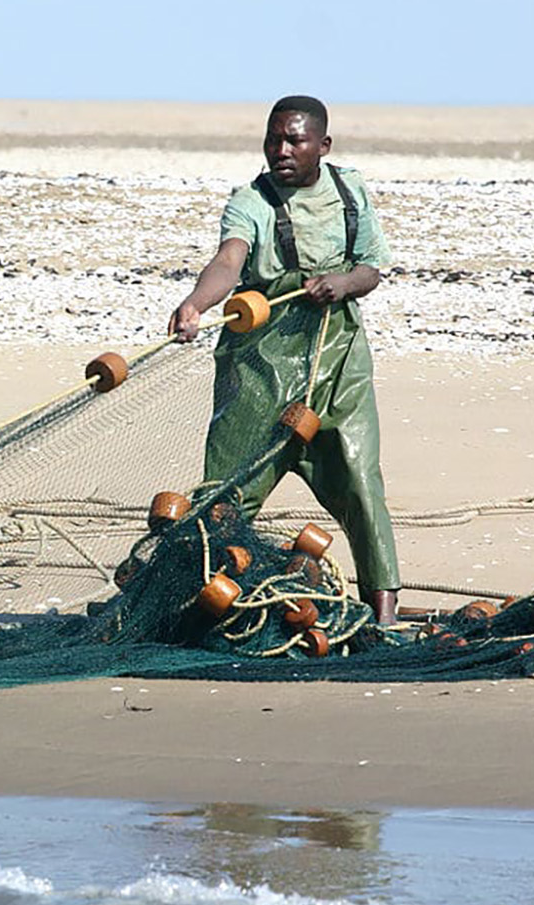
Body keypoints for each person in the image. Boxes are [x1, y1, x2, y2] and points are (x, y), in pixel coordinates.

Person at [168, 95, 401, 625]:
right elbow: (229, 260)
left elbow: (371, 270)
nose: (281, 150)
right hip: (260, 364)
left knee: (361, 482)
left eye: (294, 140)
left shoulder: (350, 191)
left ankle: (384, 611)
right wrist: (195, 304)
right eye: (273, 139)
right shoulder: (250, 199)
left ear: (323, 145)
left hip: (337, 359)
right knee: (227, 493)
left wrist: (341, 284)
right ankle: (194, 601)